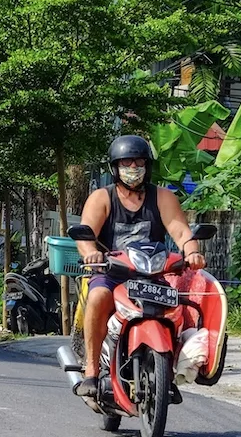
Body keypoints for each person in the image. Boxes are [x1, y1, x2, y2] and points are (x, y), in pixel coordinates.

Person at [75, 135, 206, 396]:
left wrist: (192, 251)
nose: (133, 168)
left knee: (177, 310)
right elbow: (87, 233)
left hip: (152, 276)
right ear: (115, 167)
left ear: (147, 166)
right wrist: (91, 253)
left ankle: (167, 369)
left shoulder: (163, 197)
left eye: (138, 162)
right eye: (126, 162)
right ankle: (91, 370)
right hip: (111, 273)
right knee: (98, 296)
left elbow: (180, 231)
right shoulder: (102, 198)